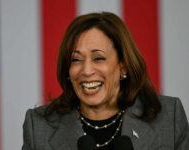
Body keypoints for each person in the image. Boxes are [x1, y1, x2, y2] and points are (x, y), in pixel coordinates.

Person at [22, 12, 189, 150]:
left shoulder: (169, 117)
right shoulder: (39, 127)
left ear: (123, 66)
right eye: (76, 60)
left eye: (98, 58)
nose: (86, 71)